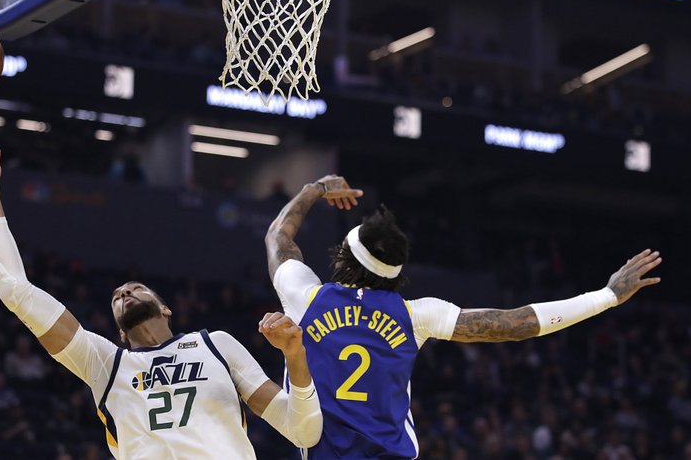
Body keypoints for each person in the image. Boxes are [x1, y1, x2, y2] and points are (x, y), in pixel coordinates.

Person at [0, 120, 322, 459]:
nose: (124, 292)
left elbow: (302, 431)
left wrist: (295, 355)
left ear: (166, 308)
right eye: (117, 295)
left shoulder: (216, 345)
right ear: (119, 331)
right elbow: (13, 288)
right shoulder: (105, 362)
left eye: (135, 287)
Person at [265, 174, 662, 459]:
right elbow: (518, 323)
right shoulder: (416, 315)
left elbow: (279, 237)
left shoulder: (305, 295)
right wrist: (606, 296)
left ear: (344, 257)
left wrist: (314, 189)